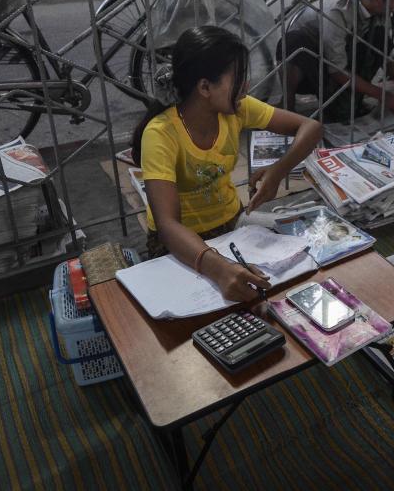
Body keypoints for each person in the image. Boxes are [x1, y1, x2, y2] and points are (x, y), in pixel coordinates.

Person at [132, 26, 323, 301]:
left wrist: (277, 171)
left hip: (232, 228)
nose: (246, 87)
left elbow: (310, 127)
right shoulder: (161, 134)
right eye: (238, 78)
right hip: (180, 244)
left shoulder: (237, 109)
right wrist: (219, 268)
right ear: (205, 87)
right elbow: (167, 225)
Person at [275, 0, 394, 121]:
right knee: (293, 42)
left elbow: (386, 58)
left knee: (378, 38)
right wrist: (380, 94)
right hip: (312, 65)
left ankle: (350, 102)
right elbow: (337, 71)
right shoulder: (337, 14)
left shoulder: (380, 12)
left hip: (342, 58)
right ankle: (288, 105)